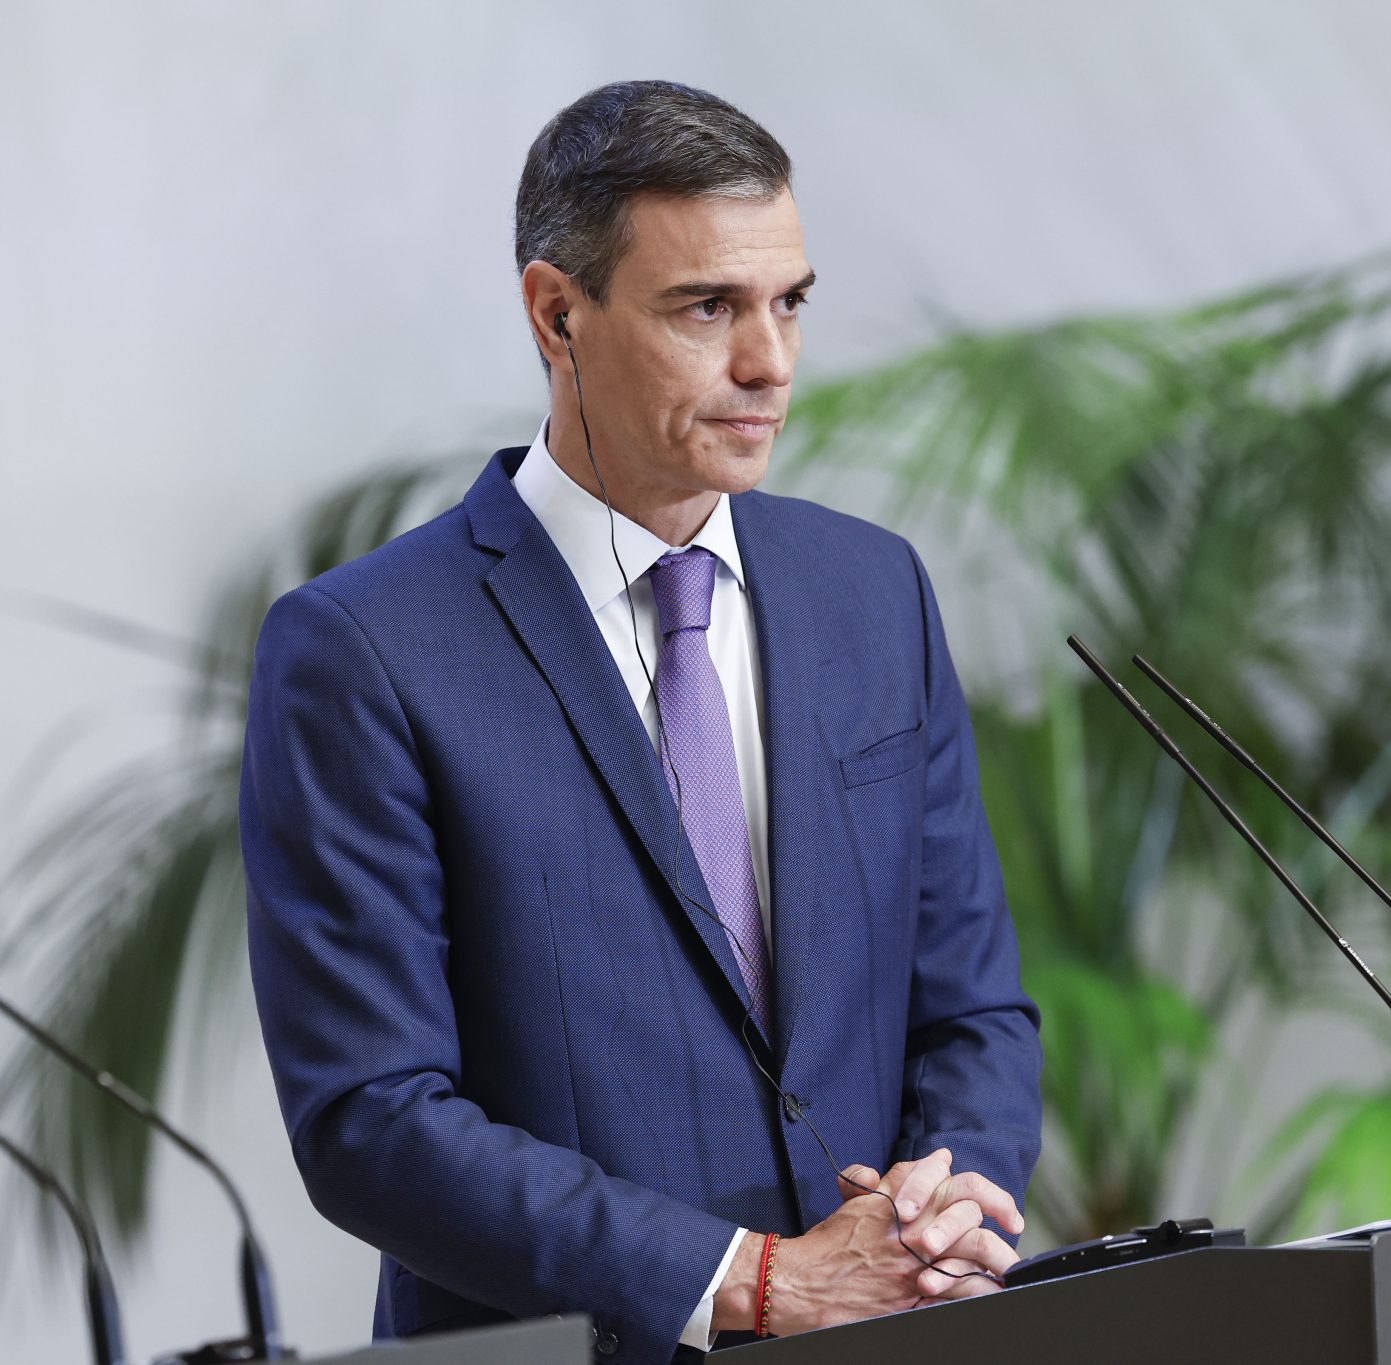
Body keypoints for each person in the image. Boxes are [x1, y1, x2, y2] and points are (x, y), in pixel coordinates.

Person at [241, 80, 1043, 1363]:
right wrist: (747, 1279)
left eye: (788, 302)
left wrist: (950, 1197)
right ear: (557, 315)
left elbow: (972, 1011)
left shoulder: (873, 592)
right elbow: (372, 1118)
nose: (768, 362)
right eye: (706, 308)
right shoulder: (365, 650)